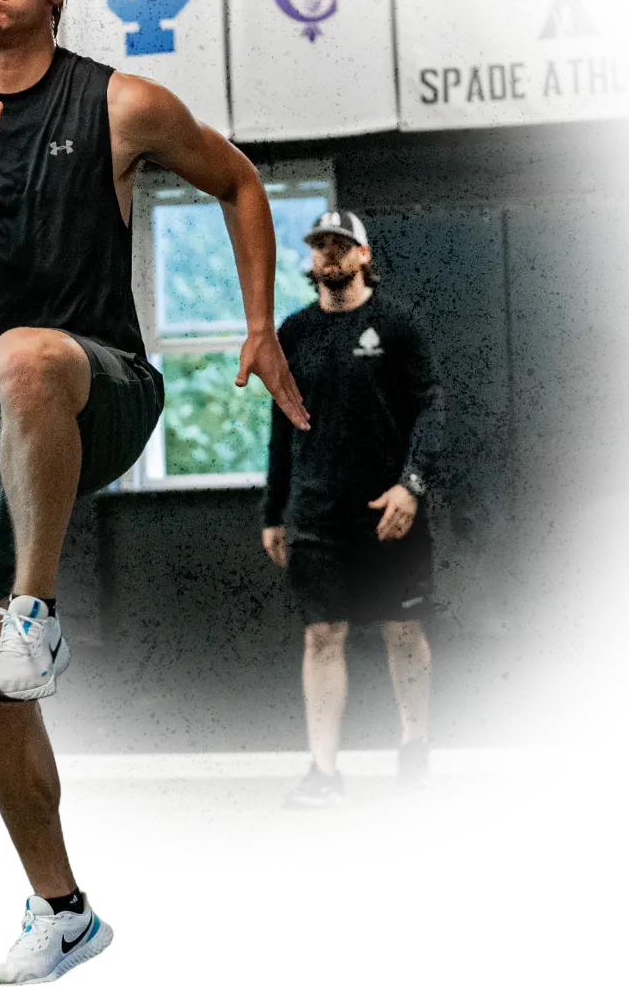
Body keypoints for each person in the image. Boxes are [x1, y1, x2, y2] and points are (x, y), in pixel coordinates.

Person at [0, 0, 309, 985]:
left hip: (97, 382)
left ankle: (39, 606)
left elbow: (238, 181)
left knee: (28, 355)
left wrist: (258, 323)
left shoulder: (120, 103)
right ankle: (62, 910)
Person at [261, 211, 444, 811]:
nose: (330, 256)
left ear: (364, 256)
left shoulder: (397, 324)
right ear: (312, 262)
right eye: (321, 248)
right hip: (317, 513)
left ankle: (413, 747)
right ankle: (324, 774)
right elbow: (281, 426)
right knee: (321, 634)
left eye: (342, 246)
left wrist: (410, 487)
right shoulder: (293, 333)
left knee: (402, 629)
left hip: (390, 511)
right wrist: (274, 511)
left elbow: (431, 409)